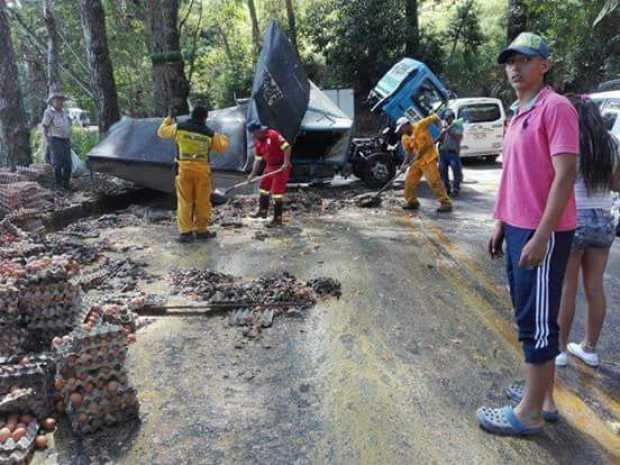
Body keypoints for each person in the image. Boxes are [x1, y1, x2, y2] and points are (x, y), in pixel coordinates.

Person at [479, 32, 579, 436]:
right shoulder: (519, 112)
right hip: (518, 226)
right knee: (532, 315)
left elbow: (566, 174)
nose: (515, 67)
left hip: (543, 231)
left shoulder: (556, 109)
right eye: (510, 61)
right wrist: (500, 219)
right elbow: (513, 176)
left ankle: (530, 413)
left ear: (545, 65)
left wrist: (541, 235)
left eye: (525, 59)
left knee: (535, 322)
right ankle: (544, 399)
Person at [555, 95, 620, 368]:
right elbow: (617, 185)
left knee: (568, 287)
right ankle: (590, 348)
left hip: (574, 217)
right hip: (604, 220)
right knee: (594, 286)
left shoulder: (571, 141)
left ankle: (560, 351)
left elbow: (560, 180)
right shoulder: (612, 144)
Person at [157, 106, 229, 243]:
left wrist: (168, 120)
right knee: (203, 202)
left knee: (185, 201)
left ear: (191, 115)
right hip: (202, 171)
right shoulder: (208, 133)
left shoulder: (179, 127)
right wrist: (221, 135)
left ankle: (186, 233)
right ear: (205, 118)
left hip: (183, 170)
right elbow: (223, 146)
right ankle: (201, 231)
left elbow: (161, 132)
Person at [396, 115, 452, 213]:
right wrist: (404, 165)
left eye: (401, 128)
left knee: (434, 181)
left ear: (407, 124)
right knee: (409, 182)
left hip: (429, 158)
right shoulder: (404, 138)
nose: (401, 131)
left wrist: (441, 128)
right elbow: (408, 152)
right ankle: (412, 202)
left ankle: (446, 203)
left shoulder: (420, 125)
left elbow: (435, 117)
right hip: (417, 161)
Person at [247, 123, 292, 227]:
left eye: (253, 134)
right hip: (269, 166)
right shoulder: (258, 142)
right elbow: (257, 160)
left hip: (281, 168)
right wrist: (252, 174)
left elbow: (287, 147)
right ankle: (262, 211)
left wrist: (286, 162)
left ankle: (278, 219)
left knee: (277, 193)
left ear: (257, 131)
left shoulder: (273, 134)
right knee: (263, 188)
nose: (252, 136)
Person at [41, 93, 72, 190]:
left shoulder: (64, 112)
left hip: (66, 139)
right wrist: (48, 140)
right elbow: (45, 126)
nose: (60, 102)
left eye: (61, 100)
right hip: (55, 139)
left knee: (68, 163)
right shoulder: (49, 112)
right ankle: (58, 185)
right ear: (52, 101)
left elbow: (68, 125)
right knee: (58, 163)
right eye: (57, 100)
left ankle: (65, 183)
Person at [438, 109, 464, 197]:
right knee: (442, 171)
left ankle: (456, 189)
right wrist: (442, 133)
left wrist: (449, 131)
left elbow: (459, 139)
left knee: (456, 171)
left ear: (453, 118)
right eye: (446, 118)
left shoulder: (457, 126)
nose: (448, 120)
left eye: (449, 118)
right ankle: (446, 188)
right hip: (443, 151)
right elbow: (440, 140)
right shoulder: (443, 126)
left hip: (452, 152)